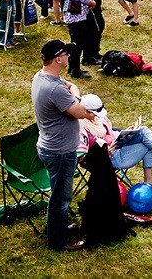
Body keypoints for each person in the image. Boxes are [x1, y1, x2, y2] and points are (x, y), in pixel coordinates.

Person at [31, 39, 97, 251]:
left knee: (59, 193)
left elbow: (68, 86)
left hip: (49, 146)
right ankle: (57, 242)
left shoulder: (42, 78)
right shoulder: (54, 89)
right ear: (58, 59)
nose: (70, 57)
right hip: (59, 151)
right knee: (61, 198)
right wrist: (78, 100)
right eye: (67, 54)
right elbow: (79, 112)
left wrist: (74, 94)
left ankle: (57, 226)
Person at [78, 94, 152, 190]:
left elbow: (111, 134)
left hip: (116, 148)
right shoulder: (80, 128)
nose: (96, 116)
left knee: (144, 133)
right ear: (85, 111)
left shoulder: (99, 119)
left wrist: (126, 133)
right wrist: (104, 152)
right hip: (105, 160)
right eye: (93, 113)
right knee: (149, 144)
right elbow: (82, 156)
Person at [61, 0, 96, 79]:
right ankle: (75, 69)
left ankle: (72, 67)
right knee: (78, 43)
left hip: (71, 15)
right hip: (76, 16)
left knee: (76, 41)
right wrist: (92, 2)